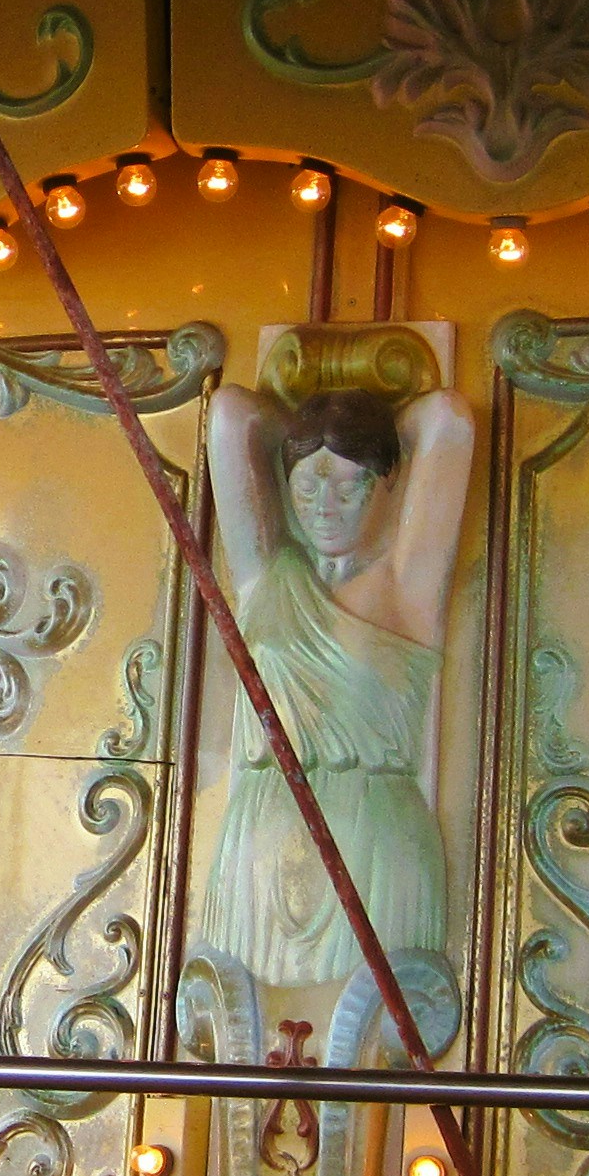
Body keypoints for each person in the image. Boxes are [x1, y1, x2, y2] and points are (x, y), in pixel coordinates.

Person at [195, 364, 475, 1006]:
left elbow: (448, 420)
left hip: (373, 841)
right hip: (257, 844)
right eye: (306, 487)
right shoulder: (266, 576)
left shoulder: (407, 586)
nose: (325, 507)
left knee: (375, 1027)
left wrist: (373, 432)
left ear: (388, 486)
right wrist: (305, 430)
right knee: (245, 1033)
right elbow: (233, 415)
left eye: (350, 488)